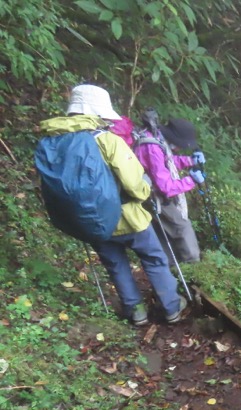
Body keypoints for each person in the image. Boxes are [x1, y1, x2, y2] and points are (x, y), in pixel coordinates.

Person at [39, 84, 187, 326]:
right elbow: (133, 181)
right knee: (153, 257)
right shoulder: (107, 140)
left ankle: (136, 311)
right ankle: (171, 306)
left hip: (88, 221)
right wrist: (145, 192)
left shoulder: (52, 142)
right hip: (127, 217)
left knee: (116, 265)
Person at [133, 115, 204, 264]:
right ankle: (193, 267)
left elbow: (167, 162)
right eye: (182, 145)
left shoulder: (156, 138)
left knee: (163, 234)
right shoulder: (152, 147)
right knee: (182, 227)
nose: (182, 147)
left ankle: (171, 267)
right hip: (152, 196)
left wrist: (189, 161)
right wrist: (191, 180)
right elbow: (166, 188)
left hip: (149, 193)